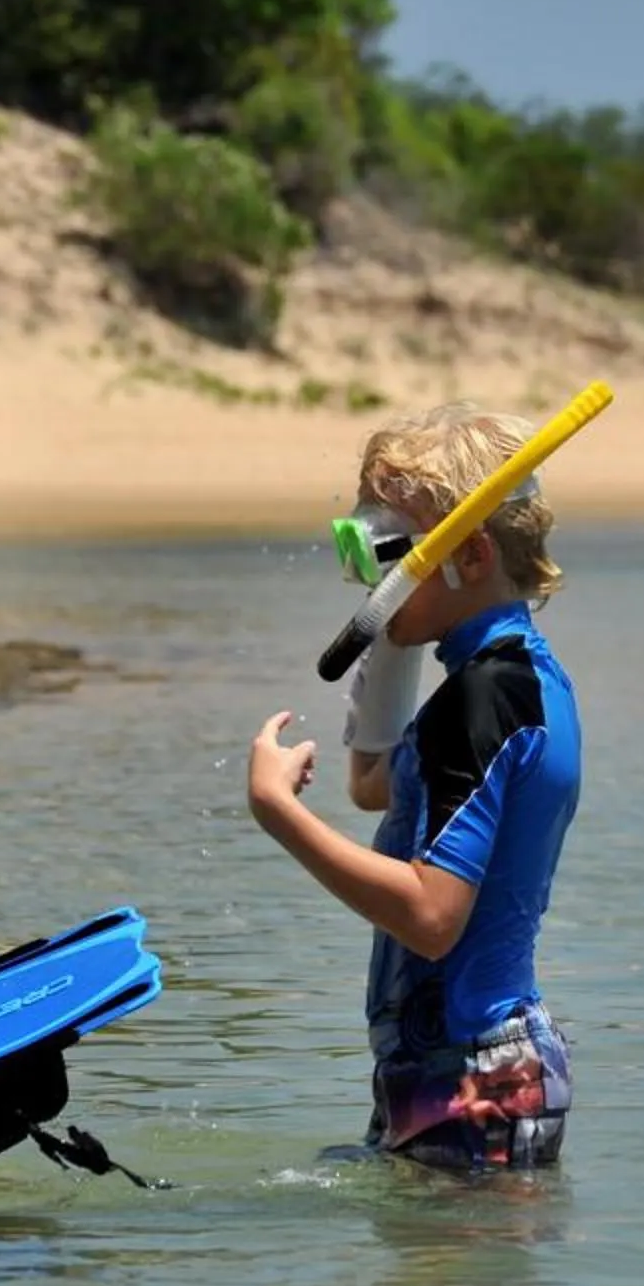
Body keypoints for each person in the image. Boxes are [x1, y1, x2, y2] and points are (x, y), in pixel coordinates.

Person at [245, 403, 585, 1169]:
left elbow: (431, 916)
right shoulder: (519, 676)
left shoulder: (481, 700)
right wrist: (393, 633)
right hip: (466, 1067)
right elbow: (377, 786)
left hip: (476, 1073)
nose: (369, 581)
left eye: (386, 558)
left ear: (470, 556)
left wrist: (276, 812)